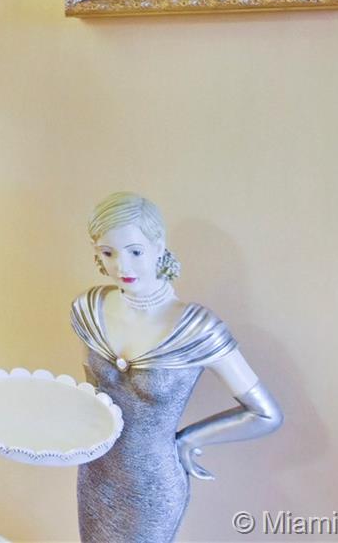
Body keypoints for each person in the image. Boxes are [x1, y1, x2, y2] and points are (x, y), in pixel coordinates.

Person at [71, 192, 282, 543]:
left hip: (152, 485)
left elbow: (266, 414)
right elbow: (92, 393)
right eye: (108, 253)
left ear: (158, 247)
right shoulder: (89, 309)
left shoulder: (197, 328)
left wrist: (187, 441)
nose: (122, 267)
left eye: (135, 252)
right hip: (95, 472)